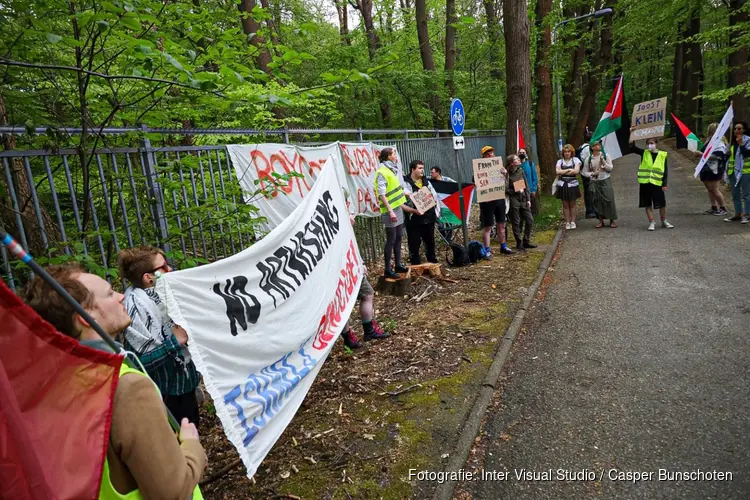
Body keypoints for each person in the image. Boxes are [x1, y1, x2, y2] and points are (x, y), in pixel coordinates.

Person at [24, 264, 206, 499]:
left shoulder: (51, 384)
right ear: (86, 318)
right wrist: (191, 447)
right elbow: (172, 492)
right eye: (110, 293)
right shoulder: (126, 388)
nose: (121, 296)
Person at [118, 246, 202, 428]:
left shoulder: (166, 291)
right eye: (163, 267)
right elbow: (141, 364)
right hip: (165, 396)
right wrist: (175, 341)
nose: (169, 269)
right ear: (148, 277)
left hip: (186, 384)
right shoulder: (135, 308)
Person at [338, 205, 391, 349]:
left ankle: (368, 330)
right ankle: (349, 337)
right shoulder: (334, 226)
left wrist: (359, 262)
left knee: (367, 294)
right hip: (339, 268)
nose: (353, 219)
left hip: (351, 265)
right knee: (342, 304)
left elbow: (351, 245)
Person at [374, 147, 419, 278]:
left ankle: (398, 264)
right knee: (391, 239)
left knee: (399, 236)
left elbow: (396, 187)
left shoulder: (393, 169)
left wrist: (407, 193)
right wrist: (390, 211)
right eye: (393, 153)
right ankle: (387, 268)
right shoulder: (382, 172)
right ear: (388, 157)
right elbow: (381, 193)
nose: (395, 155)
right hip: (390, 211)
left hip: (397, 207)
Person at [630, 134, 674, 231]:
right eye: (648, 143)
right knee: (647, 203)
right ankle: (651, 222)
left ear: (656, 144)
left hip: (657, 183)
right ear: (646, 145)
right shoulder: (644, 153)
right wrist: (632, 134)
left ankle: (664, 220)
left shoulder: (663, 155)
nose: (650, 145)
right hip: (645, 183)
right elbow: (632, 147)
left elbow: (665, 171)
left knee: (662, 204)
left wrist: (664, 184)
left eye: (652, 143)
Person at [404, 160, 440, 265]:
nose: (422, 170)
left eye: (423, 168)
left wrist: (436, 213)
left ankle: (432, 263)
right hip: (414, 219)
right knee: (414, 244)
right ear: (413, 169)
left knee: (430, 242)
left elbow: (434, 196)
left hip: (429, 217)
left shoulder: (426, 181)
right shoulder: (406, 183)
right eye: (419, 168)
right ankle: (416, 266)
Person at [479, 145, 512, 257]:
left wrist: (505, 174)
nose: (490, 155)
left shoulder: (499, 167)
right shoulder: (479, 168)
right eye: (487, 153)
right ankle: (487, 249)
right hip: (487, 202)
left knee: (501, 224)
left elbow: (505, 184)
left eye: (491, 152)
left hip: (499, 199)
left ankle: (503, 246)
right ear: (483, 156)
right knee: (488, 226)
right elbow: (477, 182)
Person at [581, 139, 618, 228]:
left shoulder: (606, 155)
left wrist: (604, 163)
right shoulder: (588, 159)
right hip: (595, 182)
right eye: (597, 145)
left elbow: (610, 168)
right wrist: (593, 174)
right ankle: (600, 221)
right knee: (597, 201)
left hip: (605, 180)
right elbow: (584, 172)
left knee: (609, 199)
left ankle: (612, 220)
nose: (599, 146)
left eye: (600, 144)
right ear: (592, 147)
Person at [506, 154, 536, 250]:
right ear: (511, 162)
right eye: (516, 159)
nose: (518, 159)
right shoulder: (507, 174)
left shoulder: (521, 171)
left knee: (530, 220)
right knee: (516, 221)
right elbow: (505, 189)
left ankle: (526, 240)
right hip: (514, 199)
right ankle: (519, 242)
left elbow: (526, 186)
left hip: (523, 198)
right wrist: (515, 190)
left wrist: (528, 199)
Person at [698, 123, 728, 216]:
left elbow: (717, 156)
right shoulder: (709, 140)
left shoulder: (719, 142)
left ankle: (723, 208)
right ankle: (713, 207)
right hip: (706, 167)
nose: (709, 131)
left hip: (715, 168)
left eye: (711, 130)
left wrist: (701, 155)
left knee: (714, 189)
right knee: (709, 188)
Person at [555, 144, 582, 230]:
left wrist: (563, 172)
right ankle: (567, 222)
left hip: (572, 184)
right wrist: (568, 170)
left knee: (572, 204)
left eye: (568, 151)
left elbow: (576, 171)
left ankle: (573, 221)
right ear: (563, 153)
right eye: (565, 152)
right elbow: (557, 172)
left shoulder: (576, 160)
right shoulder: (560, 161)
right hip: (563, 185)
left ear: (571, 152)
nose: (567, 153)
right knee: (565, 204)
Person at [727, 121, 750, 223]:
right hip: (733, 171)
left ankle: (747, 214)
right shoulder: (732, 142)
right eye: (735, 128)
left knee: (746, 194)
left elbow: (747, 154)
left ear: (744, 130)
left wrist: (741, 144)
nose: (736, 130)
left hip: (746, 171)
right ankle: (737, 213)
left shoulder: (748, 140)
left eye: (739, 128)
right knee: (735, 193)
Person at [576, 130, 597, 218]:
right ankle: (591, 211)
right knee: (590, 192)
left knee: (587, 191)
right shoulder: (588, 149)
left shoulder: (581, 147)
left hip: (583, 172)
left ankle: (589, 210)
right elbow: (590, 161)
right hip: (588, 173)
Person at [518, 147, 539, 217]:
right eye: (520, 153)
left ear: (526, 154)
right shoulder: (516, 165)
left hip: (529, 189)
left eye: (523, 153)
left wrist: (534, 189)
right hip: (520, 190)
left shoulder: (530, 164)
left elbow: (534, 177)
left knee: (530, 207)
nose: (521, 154)